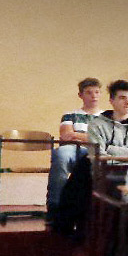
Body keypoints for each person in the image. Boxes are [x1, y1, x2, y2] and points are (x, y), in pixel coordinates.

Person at [47, 77, 103, 216]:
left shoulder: (107, 118)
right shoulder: (69, 115)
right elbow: (66, 135)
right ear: (80, 95)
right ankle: (55, 205)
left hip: (97, 151)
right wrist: (92, 137)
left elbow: (104, 141)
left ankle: (93, 208)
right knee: (61, 154)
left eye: (97, 92)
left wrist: (76, 134)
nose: (94, 96)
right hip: (72, 149)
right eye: (89, 92)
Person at [88, 79, 128, 158]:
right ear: (111, 101)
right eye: (122, 98)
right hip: (105, 166)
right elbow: (98, 157)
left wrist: (110, 149)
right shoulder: (96, 125)